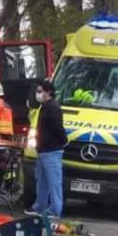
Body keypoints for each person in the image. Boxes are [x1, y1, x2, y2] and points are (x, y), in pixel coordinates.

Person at [26, 79, 68, 217]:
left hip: (52, 150)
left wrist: (64, 141)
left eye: (40, 91)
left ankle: (55, 210)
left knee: (53, 182)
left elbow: (58, 128)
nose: (38, 94)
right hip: (44, 150)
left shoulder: (53, 108)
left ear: (48, 92)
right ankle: (39, 206)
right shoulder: (45, 107)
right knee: (42, 182)